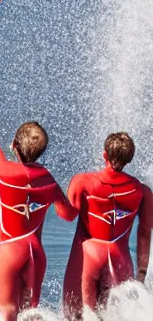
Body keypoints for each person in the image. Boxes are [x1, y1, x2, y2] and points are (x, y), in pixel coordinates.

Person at [0, 95, 77, 321]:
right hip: (36, 253)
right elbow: (68, 214)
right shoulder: (48, 180)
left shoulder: (4, 172)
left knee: (8, 314)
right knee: (30, 315)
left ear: (14, 145)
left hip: (9, 251)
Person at [63, 132, 153, 320]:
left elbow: (68, 215)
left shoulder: (83, 182)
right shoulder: (142, 191)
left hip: (91, 256)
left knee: (83, 315)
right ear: (130, 157)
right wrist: (142, 274)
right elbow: (144, 233)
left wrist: (54, 196)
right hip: (120, 258)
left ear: (104, 155)